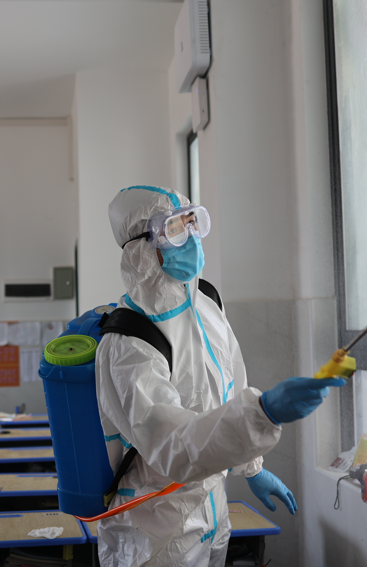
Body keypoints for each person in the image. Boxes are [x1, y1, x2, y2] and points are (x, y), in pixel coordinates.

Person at [96, 185, 344, 567]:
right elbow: (172, 446)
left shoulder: (206, 302)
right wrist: (264, 413)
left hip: (213, 510)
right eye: (174, 230)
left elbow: (231, 386)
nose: (191, 238)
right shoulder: (129, 340)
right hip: (154, 531)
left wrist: (252, 467)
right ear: (141, 248)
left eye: (191, 223)